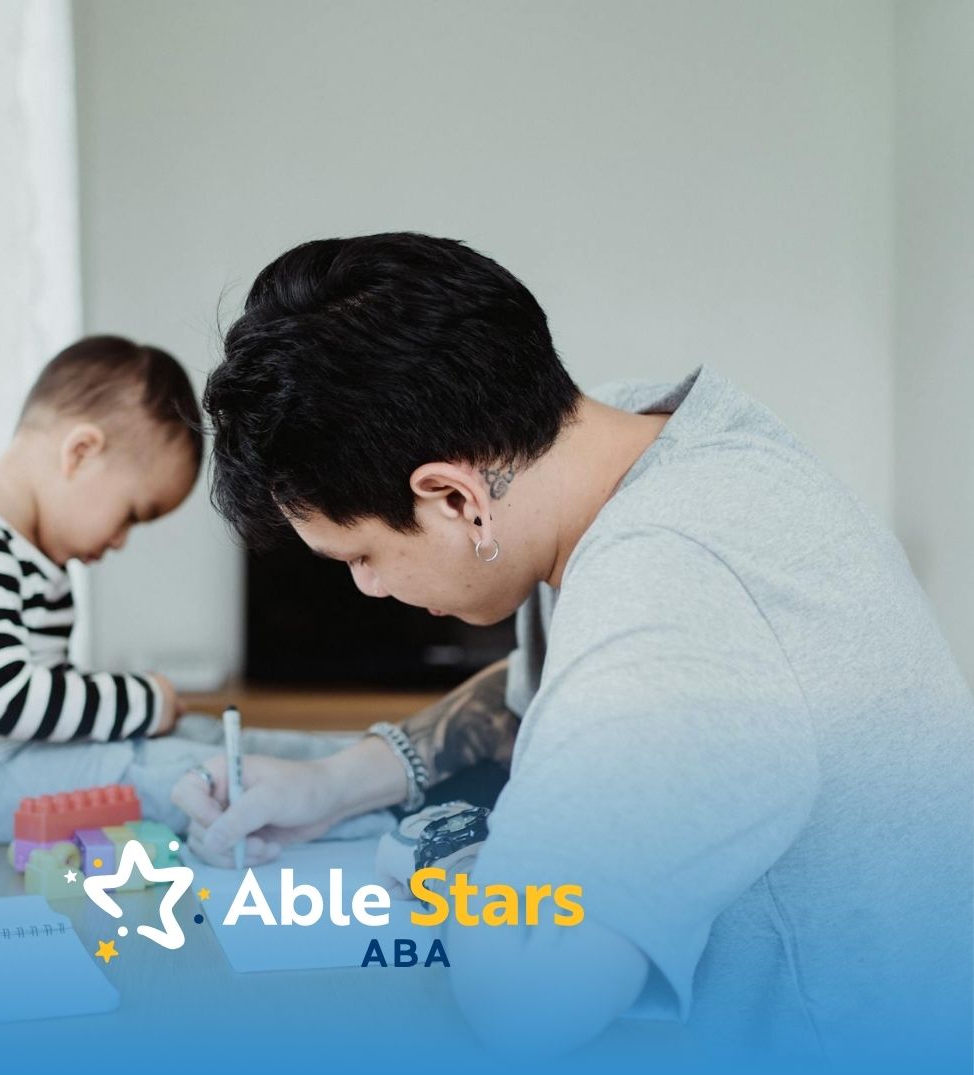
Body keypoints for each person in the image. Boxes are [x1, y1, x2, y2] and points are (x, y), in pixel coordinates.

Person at [173, 233, 973, 1067]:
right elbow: (570, 691)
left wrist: (441, 853)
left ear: (455, 497)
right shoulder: (616, 445)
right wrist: (339, 782)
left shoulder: (668, 588)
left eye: (361, 556)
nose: (367, 588)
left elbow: (531, 998)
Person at [0, 335, 200, 838]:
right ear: (81, 453)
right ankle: (306, 796)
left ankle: (317, 774)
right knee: (178, 777)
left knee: (195, 743)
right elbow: (11, 701)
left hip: (10, 759)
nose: (120, 541)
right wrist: (145, 700)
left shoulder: (34, 559)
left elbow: (50, 701)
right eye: (131, 515)